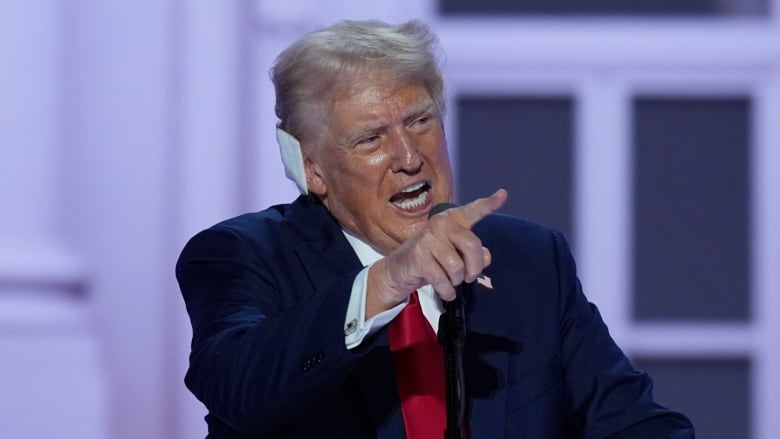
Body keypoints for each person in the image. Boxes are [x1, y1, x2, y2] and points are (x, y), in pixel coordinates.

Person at [176, 19, 694, 438]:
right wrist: (387, 281)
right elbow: (237, 387)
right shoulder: (241, 254)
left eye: (421, 121)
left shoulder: (527, 258)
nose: (409, 157)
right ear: (311, 169)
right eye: (371, 139)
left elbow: (631, 422)